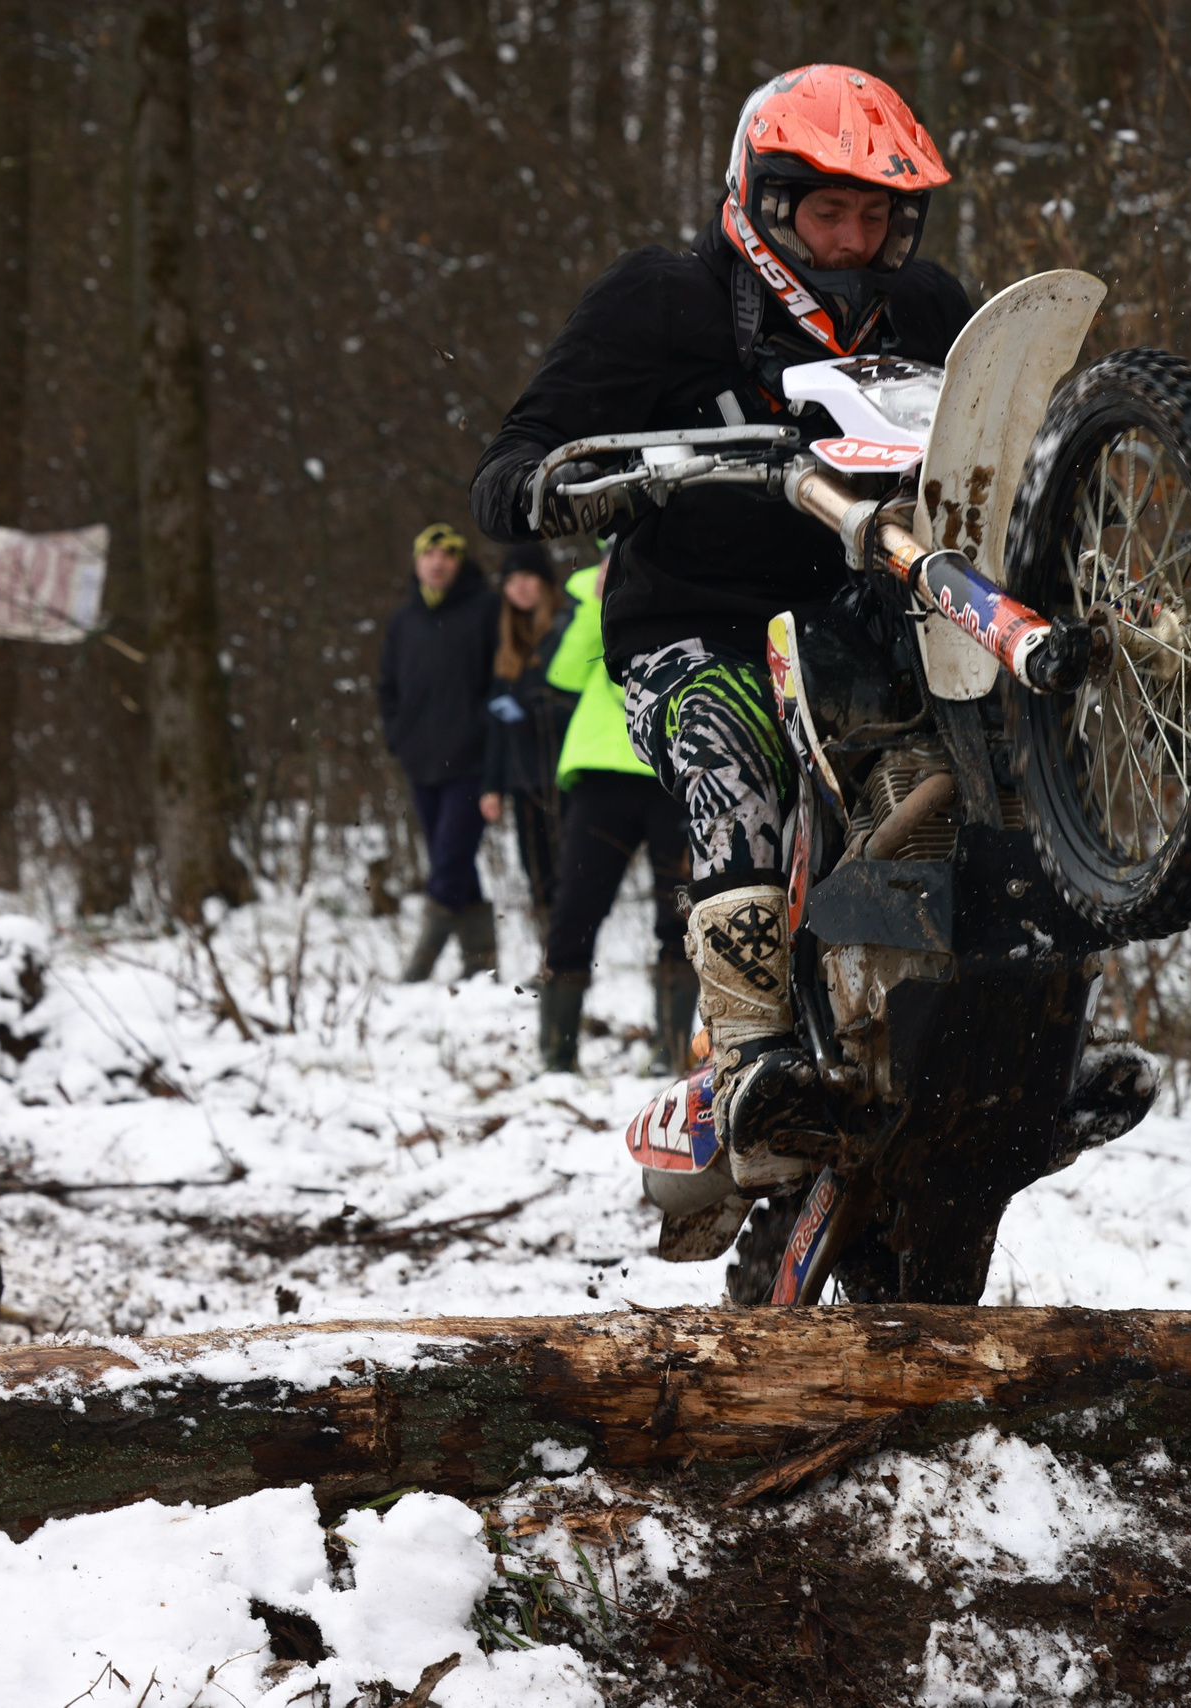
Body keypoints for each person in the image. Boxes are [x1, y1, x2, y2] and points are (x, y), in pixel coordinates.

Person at [470, 67, 969, 1155]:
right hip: (693, 621)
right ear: (767, 198)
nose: (848, 239)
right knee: (727, 741)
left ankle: (1027, 1028)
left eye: (872, 214)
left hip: (871, 623)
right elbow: (508, 469)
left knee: (991, 762)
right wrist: (592, 482)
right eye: (826, 211)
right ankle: (752, 1059)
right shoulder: (666, 300)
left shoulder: (929, 310)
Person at [536, 550, 699, 1077]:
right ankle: (556, 1055)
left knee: (678, 915)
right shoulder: (592, 598)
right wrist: (597, 596)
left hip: (671, 776)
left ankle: (670, 1052)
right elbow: (562, 673)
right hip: (601, 783)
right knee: (574, 914)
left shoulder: (687, 587)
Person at [376, 522, 501, 982]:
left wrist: (493, 750)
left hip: (469, 762)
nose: (437, 562)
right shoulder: (403, 620)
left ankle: (418, 966)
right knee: (454, 860)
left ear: (459, 561)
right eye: (429, 554)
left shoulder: (486, 608)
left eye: (447, 554)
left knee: (448, 861)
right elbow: (387, 687)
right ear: (416, 562)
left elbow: (500, 679)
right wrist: (398, 737)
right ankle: (480, 963)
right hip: (420, 762)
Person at [481, 541, 577, 937]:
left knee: (570, 873)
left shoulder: (569, 626)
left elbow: (582, 699)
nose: (519, 588)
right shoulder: (504, 638)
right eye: (511, 580)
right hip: (523, 778)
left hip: (567, 771)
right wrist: (491, 786)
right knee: (535, 873)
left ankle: (572, 955)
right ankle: (550, 958)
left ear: (544, 581)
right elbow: (496, 719)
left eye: (527, 578)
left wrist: (536, 711)